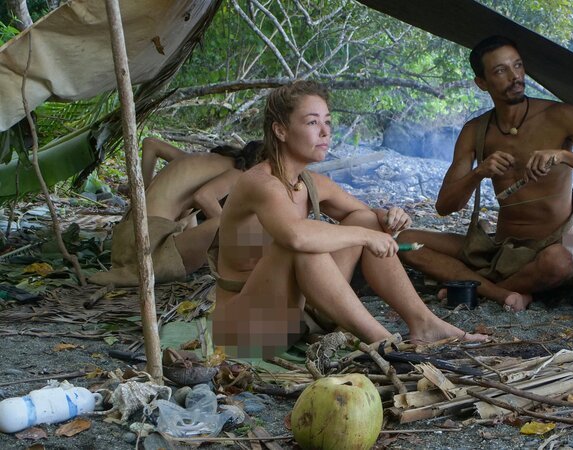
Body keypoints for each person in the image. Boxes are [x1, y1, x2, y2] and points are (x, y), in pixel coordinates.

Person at [212, 80, 485, 358]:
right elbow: (296, 236)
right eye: (312, 123)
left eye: (328, 122)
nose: (325, 132)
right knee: (305, 242)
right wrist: (368, 237)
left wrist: (388, 217)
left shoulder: (309, 182)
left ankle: (423, 323)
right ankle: (384, 342)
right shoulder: (260, 183)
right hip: (243, 330)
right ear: (280, 130)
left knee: (364, 221)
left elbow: (366, 217)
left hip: (295, 317)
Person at [397, 35, 573, 312]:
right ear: (481, 83)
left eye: (517, 66)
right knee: (404, 242)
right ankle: (504, 292)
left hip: (557, 246)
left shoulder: (562, 115)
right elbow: (445, 206)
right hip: (499, 248)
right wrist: (478, 173)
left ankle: (473, 286)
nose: (515, 76)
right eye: (500, 71)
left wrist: (564, 156)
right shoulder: (475, 130)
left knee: (561, 262)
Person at [88, 140, 262, 286]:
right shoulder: (239, 173)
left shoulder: (198, 161)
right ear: (258, 163)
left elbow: (150, 143)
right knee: (229, 223)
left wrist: (142, 190)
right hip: (149, 241)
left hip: (127, 239)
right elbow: (204, 197)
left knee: (202, 220)